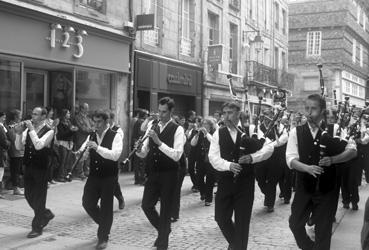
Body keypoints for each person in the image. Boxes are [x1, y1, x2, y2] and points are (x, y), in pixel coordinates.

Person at [286, 94, 357, 249]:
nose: (309, 113)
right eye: (307, 109)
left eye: (314, 109)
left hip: (327, 189)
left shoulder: (335, 129)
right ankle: (309, 247)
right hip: (304, 187)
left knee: (323, 231)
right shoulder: (296, 132)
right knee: (295, 223)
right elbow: (290, 159)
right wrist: (307, 168)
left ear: (323, 111)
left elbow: (352, 151)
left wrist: (333, 160)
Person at [208, 101, 274, 250]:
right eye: (224, 113)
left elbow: (269, 147)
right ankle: (236, 245)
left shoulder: (250, 130)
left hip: (245, 183)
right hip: (225, 181)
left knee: (242, 222)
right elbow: (213, 157)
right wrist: (228, 165)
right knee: (221, 217)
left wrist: (252, 158)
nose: (226, 117)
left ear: (238, 114)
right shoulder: (219, 132)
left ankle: (238, 246)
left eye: (230, 113)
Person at [136, 97, 185, 250]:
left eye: (164, 112)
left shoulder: (178, 129)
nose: (161, 115)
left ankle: (162, 244)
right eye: (159, 111)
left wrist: (159, 142)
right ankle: (164, 230)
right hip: (153, 173)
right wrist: (138, 149)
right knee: (146, 205)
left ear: (171, 112)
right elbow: (145, 152)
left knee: (165, 211)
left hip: (169, 174)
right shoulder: (152, 124)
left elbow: (177, 155)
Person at [81, 110, 123, 250]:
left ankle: (103, 236)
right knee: (87, 202)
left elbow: (115, 155)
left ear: (106, 122)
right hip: (94, 176)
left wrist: (97, 148)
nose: (96, 124)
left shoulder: (115, 135)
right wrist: (81, 155)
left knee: (106, 207)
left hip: (109, 177)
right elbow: (84, 150)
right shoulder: (92, 135)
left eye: (99, 122)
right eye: (94, 122)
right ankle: (105, 225)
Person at [15, 107, 55, 238]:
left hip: (41, 168)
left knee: (39, 197)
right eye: (32, 113)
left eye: (36, 114)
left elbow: (39, 145)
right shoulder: (28, 130)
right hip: (28, 166)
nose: (33, 116)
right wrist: (19, 133)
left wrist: (31, 129)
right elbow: (18, 147)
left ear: (43, 116)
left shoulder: (50, 131)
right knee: (28, 195)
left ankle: (37, 227)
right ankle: (45, 213)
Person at [255, 108, 289, 212]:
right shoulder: (259, 127)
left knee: (272, 180)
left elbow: (283, 139)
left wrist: (272, 145)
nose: (266, 117)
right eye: (264, 115)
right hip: (262, 157)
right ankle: (268, 193)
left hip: (275, 157)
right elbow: (260, 137)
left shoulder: (280, 127)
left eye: (268, 115)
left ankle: (270, 204)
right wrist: (269, 144)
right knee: (260, 179)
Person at [191, 117, 217, 206]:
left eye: (206, 123)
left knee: (210, 179)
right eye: (203, 124)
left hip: (210, 160)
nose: (204, 125)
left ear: (210, 125)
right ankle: (203, 193)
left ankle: (208, 199)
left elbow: (213, 141)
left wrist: (206, 133)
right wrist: (197, 135)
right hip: (201, 159)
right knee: (199, 177)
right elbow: (192, 143)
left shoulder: (214, 133)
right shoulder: (200, 133)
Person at [108, 111, 125, 210]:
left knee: (113, 182)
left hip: (113, 160)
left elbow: (118, 146)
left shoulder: (118, 130)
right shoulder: (101, 129)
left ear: (111, 119)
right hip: (102, 159)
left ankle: (120, 198)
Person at [73, 103, 94, 179]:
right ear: (82, 109)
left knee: (87, 155)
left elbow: (93, 125)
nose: (87, 109)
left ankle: (86, 171)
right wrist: (91, 129)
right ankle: (80, 172)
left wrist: (92, 128)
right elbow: (83, 128)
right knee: (81, 155)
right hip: (81, 139)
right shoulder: (78, 117)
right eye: (86, 108)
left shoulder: (87, 118)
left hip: (88, 138)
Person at [56, 109, 78, 182]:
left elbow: (71, 132)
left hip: (69, 142)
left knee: (67, 161)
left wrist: (74, 130)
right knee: (62, 160)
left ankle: (66, 175)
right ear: (64, 114)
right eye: (68, 113)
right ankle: (60, 176)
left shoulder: (69, 122)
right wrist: (72, 131)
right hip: (62, 143)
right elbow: (61, 135)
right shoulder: (60, 123)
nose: (69, 114)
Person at [7, 109, 24, 195]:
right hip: (15, 152)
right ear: (15, 117)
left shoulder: (17, 125)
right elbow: (13, 138)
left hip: (20, 151)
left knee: (18, 170)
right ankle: (15, 188)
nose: (21, 117)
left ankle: (15, 185)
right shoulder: (11, 126)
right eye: (20, 115)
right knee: (15, 170)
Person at [131, 109, 149, 185]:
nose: (148, 116)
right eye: (147, 114)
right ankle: (141, 179)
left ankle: (137, 179)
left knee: (137, 163)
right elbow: (141, 132)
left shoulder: (137, 121)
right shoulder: (141, 122)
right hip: (139, 143)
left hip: (135, 142)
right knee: (141, 163)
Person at [0, 111, 10, 198]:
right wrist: (9, 143)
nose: (4, 118)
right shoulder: (0, 127)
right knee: (0, 173)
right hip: (0, 153)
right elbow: (4, 142)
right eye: (3, 117)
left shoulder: (3, 127)